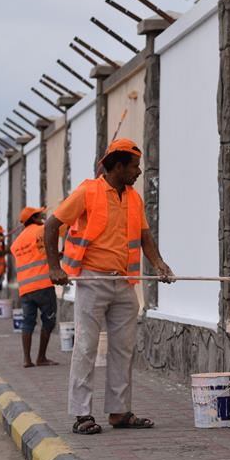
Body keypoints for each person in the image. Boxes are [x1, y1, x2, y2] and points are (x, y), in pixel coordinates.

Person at [44, 138, 174, 435]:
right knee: (86, 348)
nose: (138, 173)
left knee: (123, 350)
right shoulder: (88, 191)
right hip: (92, 280)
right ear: (117, 166)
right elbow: (52, 225)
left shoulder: (134, 198)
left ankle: (119, 412)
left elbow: (144, 237)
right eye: (134, 167)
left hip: (123, 283)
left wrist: (159, 264)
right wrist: (54, 266)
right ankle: (81, 415)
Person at [11, 207, 59, 368]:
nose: (43, 217)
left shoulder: (16, 243)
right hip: (43, 285)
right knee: (49, 321)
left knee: (28, 322)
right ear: (33, 218)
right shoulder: (42, 230)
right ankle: (41, 357)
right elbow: (60, 225)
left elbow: (38, 255)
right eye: (40, 215)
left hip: (25, 289)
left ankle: (26, 359)